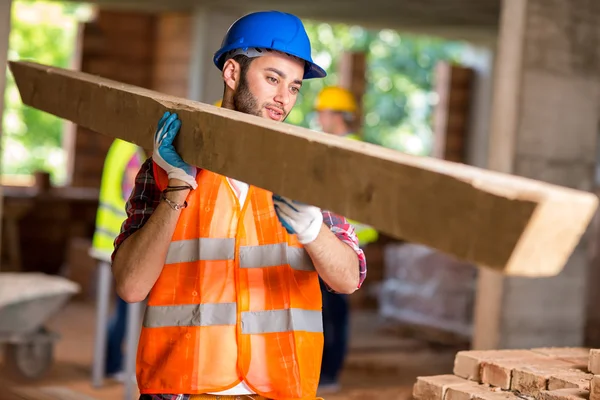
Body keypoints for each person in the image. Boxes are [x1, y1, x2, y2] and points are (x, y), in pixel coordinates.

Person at [110, 11, 367, 400]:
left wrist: (313, 230)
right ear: (232, 73)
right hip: (180, 386)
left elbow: (348, 279)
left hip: (279, 387)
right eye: (272, 79)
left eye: (295, 87)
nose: (284, 98)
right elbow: (130, 286)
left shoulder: (308, 172)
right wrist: (177, 190)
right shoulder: (168, 166)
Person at [313, 86, 379, 393]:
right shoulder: (343, 146)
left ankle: (329, 373)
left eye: (322, 112)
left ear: (337, 115)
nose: (319, 118)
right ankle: (326, 372)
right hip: (339, 238)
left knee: (334, 312)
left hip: (344, 241)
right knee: (330, 310)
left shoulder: (346, 150)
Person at [90, 138, 145, 381]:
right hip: (121, 239)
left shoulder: (118, 146)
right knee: (126, 307)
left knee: (120, 308)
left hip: (107, 238)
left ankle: (109, 361)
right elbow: (132, 194)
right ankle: (112, 363)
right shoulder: (132, 152)